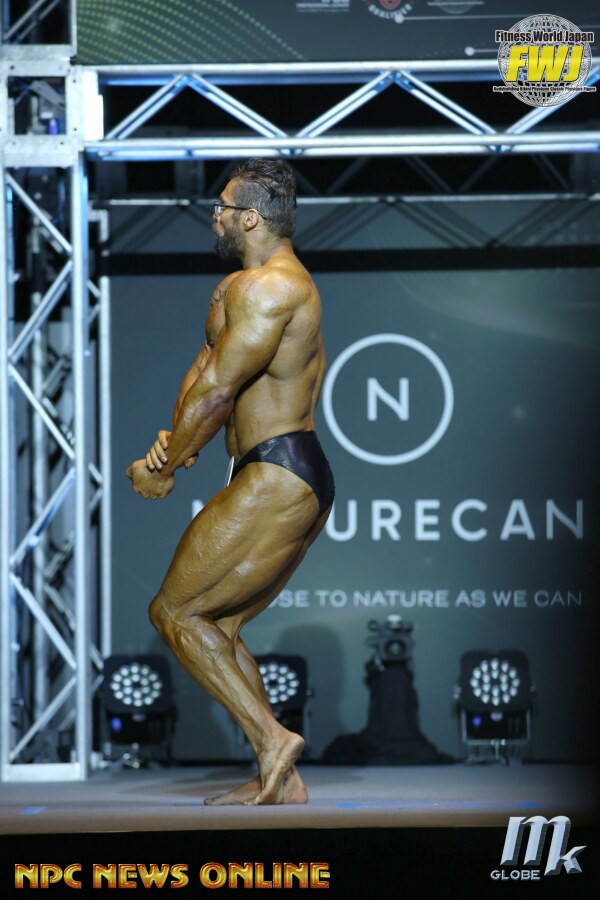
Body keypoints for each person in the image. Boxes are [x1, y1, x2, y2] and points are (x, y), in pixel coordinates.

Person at [125, 158, 334, 805]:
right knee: (216, 622)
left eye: (220, 207)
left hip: (278, 469)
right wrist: (174, 443)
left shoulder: (271, 288)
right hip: (277, 470)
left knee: (175, 612)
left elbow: (218, 392)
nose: (213, 216)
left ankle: (274, 742)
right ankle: (283, 778)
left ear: (249, 218)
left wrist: (164, 471)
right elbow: (204, 371)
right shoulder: (237, 290)